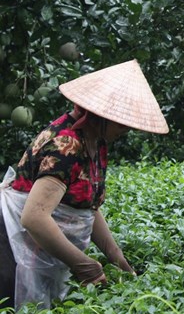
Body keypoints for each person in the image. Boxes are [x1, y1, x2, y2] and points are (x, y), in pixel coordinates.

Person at [0, 59, 169, 310]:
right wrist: (83, 264)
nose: (126, 129)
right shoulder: (65, 145)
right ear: (99, 114)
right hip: (13, 245)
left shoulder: (96, 140)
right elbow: (34, 218)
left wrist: (116, 257)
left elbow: (87, 205)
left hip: (41, 247)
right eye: (120, 122)